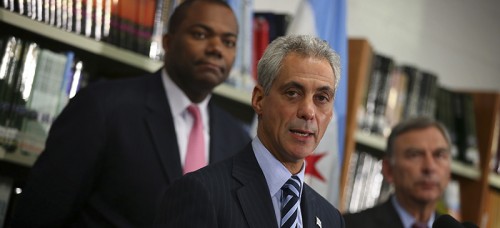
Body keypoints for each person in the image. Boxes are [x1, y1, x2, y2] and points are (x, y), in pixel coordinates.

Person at [11, 0, 250, 227]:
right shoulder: (102, 106)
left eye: (228, 42)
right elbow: (39, 214)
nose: (216, 49)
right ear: (167, 41)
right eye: (200, 34)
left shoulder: (238, 141)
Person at [154, 34, 345, 228]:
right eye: (292, 93)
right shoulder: (201, 193)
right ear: (259, 100)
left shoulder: (331, 220)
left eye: (321, 98)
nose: (308, 112)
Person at [343, 117, 452, 228]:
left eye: (439, 155)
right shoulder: (349, 225)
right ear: (389, 169)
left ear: (449, 172)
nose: (430, 167)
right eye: (414, 155)